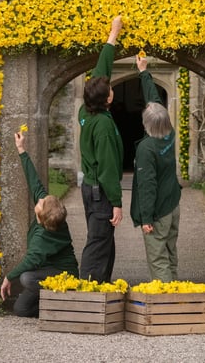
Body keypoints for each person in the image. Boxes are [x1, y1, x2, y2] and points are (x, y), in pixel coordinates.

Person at [0, 131, 78, 317]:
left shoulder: (44, 238)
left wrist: (8, 277)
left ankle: (63, 301)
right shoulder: (49, 214)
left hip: (65, 276)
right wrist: (21, 150)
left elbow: (30, 261)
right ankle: (52, 303)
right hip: (47, 273)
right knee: (21, 310)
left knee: (26, 278)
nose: (40, 200)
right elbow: (34, 182)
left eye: (41, 203)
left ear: (42, 218)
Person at [78, 16, 124, 283]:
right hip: (101, 192)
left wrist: (113, 34)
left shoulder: (87, 108)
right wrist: (116, 203)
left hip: (90, 189)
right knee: (97, 244)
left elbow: (100, 70)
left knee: (104, 242)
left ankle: (103, 292)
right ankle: (88, 295)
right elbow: (108, 169)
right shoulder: (104, 126)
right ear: (108, 97)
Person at [130, 53, 182, 282]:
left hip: (158, 211)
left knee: (158, 258)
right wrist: (143, 72)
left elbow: (147, 185)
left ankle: (166, 303)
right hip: (172, 204)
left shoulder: (146, 149)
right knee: (170, 253)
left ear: (146, 124)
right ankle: (176, 297)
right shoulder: (168, 132)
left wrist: (146, 218)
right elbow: (155, 103)